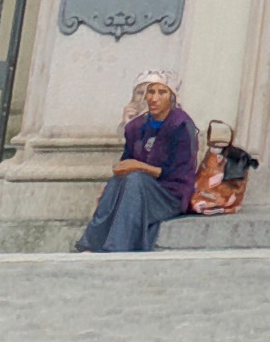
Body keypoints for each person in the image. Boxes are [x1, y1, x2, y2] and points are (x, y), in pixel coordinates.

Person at [73, 79, 197, 252]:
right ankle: (91, 243)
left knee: (135, 179)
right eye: (150, 92)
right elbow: (127, 160)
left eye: (162, 92)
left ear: (172, 98)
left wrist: (140, 167)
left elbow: (179, 173)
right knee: (118, 181)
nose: (154, 98)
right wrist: (123, 167)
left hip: (170, 195)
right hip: (138, 188)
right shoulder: (136, 126)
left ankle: (117, 247)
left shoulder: (181, 125)